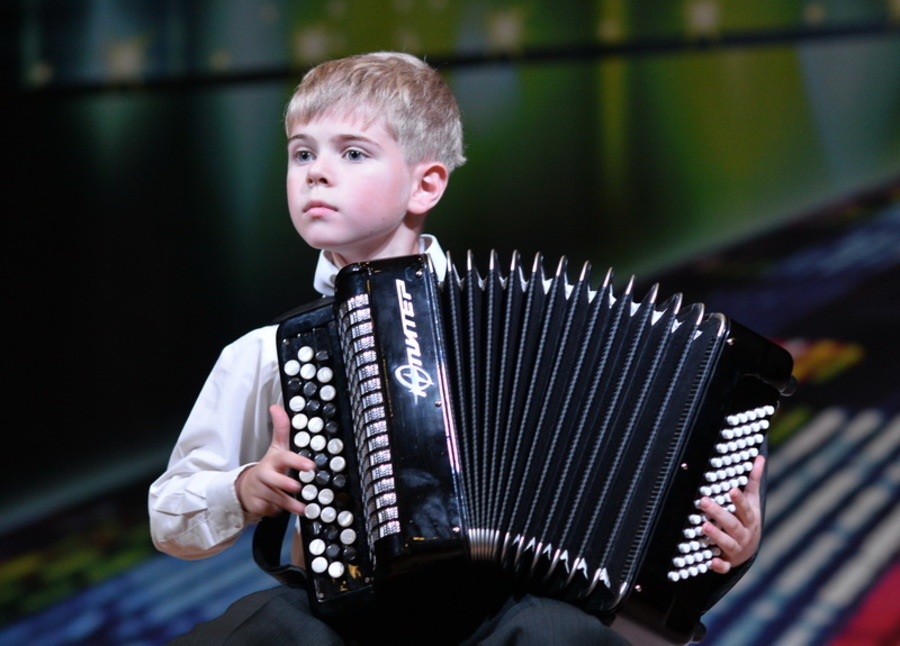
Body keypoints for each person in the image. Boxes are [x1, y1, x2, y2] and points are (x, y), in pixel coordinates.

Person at [148, 51, 765, 645]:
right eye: (301, 153)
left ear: (426, 185)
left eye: (353, 153)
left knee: (559, 635)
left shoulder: (523, 326)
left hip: (503, 618)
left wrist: (726, 546)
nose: (316, 171)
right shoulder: (268, 352)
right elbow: (169, 515)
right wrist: (244, 488)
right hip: (346, 618)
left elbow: (640, 482)